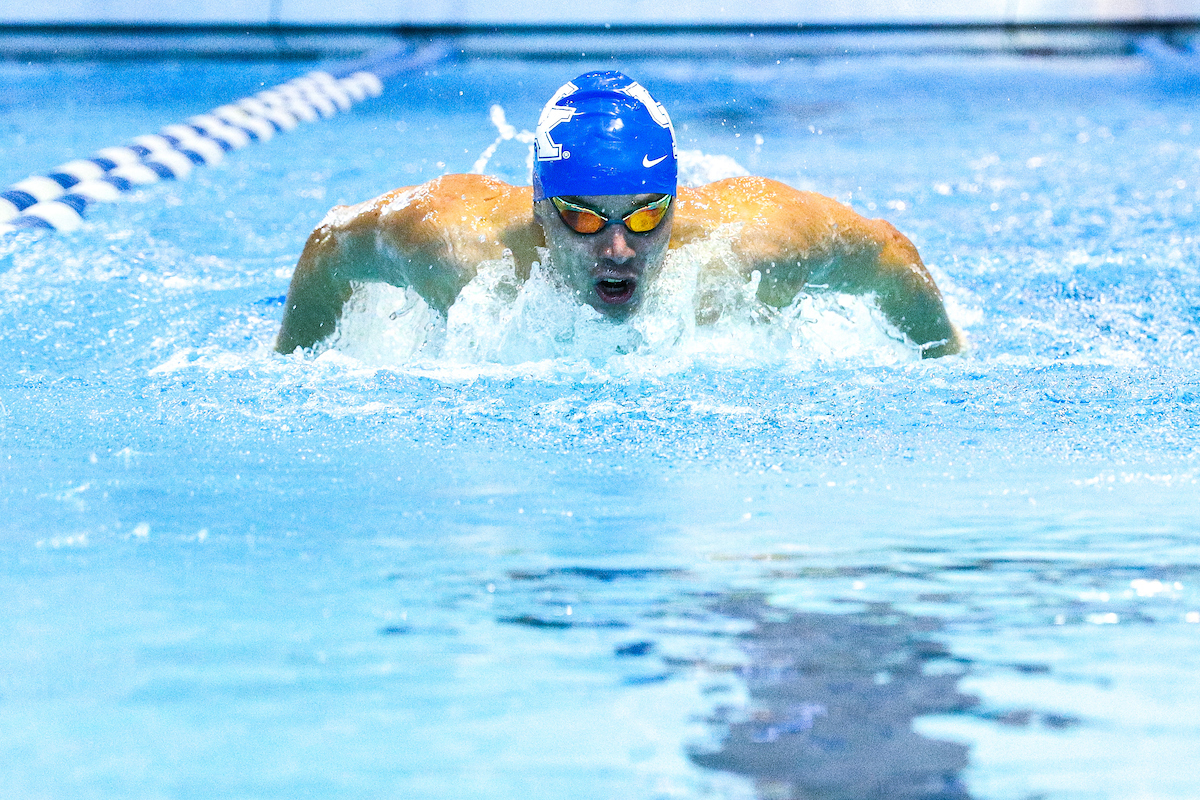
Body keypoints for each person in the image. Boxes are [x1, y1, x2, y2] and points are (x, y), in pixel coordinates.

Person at [275, 71, 963, 358]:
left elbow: (887, 255)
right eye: (582, 218)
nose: (617, 248)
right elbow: (330, 244)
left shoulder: (747, 249)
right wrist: (293, 366)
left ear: (674, 201)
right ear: (539, 208)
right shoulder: (455, 246)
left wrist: (948, 365)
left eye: (643, 218)